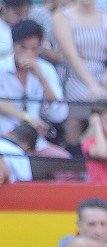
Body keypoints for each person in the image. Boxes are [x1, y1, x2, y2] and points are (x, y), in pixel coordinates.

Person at [52, 0, 107, 144]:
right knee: (81, 100)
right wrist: (92, 85)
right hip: (73, 73)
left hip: (102, 72)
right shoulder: (62, 17)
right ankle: (75, 151)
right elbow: (71, 55)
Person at [0, 20, 69, 160]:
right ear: (13, 45)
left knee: (66, 163)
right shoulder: (1, 68)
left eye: (33, 49)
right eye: (23, 48)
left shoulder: (46, 70)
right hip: (4, 140)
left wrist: (41, 77)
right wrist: (28, 119)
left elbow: (59, 113)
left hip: (35, 143)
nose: (28, 53)